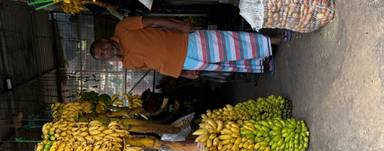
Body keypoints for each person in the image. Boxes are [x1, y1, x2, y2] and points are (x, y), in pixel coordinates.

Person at [90, 16, 284, 79]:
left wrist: (180, 26)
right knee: (223, 64)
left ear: (105, 40)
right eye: (102, 56)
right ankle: (261, 62)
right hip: (182, 63)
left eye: (102, 49)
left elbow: (152, 21)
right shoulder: (127, 63)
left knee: (228, 43)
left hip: (184, 42)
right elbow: (154, 67)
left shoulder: (123, 28)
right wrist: (183, 73)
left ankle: (271, 41)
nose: (105, 53)